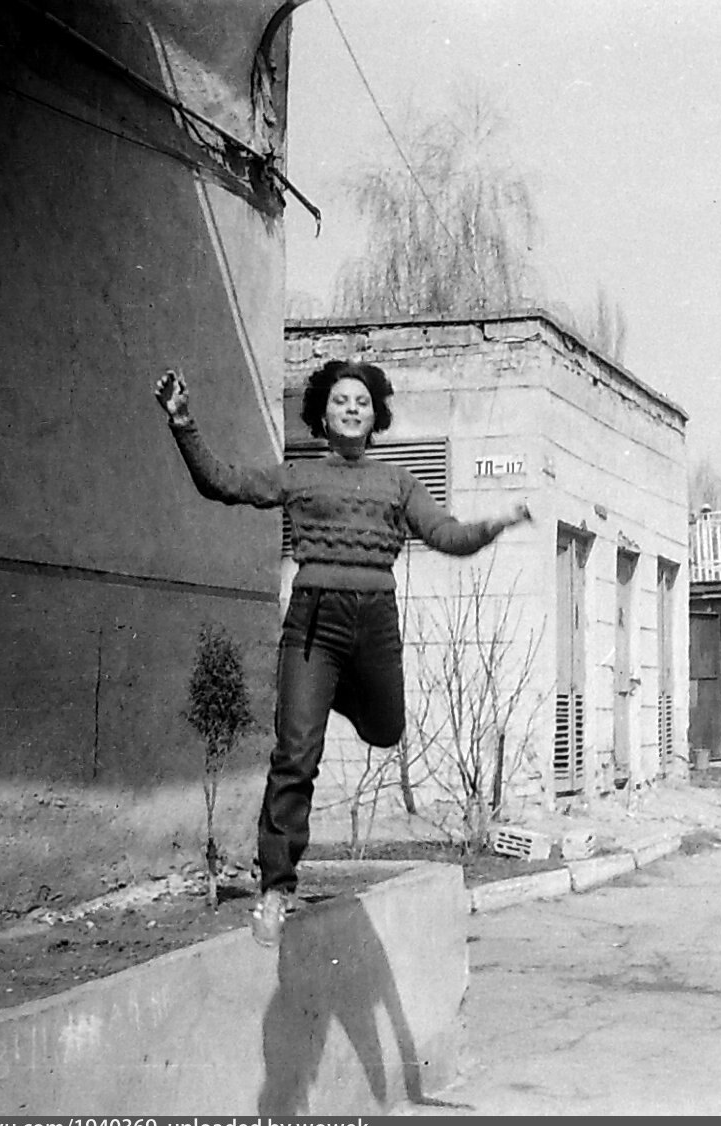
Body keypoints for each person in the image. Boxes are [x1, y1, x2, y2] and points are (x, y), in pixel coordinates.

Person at [155, 360, 532, 947]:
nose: (352, 409)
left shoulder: (399, 483)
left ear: (375, 415)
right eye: (340, 401)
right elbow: (221, 482)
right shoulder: (299, 475)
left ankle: (331, 693)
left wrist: (495, 523)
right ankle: (276, 888)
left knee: (387, 729)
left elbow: (447, 536)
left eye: (361, 401)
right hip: (314, 624)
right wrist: (183, 423)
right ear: (323, 416)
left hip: (375, 625)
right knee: (295, 756)